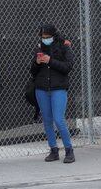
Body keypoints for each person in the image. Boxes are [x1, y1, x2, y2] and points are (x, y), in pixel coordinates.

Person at [30, 24, 75, 163]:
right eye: (43, 37)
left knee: (58, 119)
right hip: (41, 88)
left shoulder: (64, 46)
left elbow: (68, 67)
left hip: (58, 88)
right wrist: (37, 62)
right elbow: (32, 71)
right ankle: (53, 150)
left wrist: (51, 61)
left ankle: (69, 150)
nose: (45, 39)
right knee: (47, 120)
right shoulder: (39, 48)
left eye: (47, 37)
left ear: (54, 36)